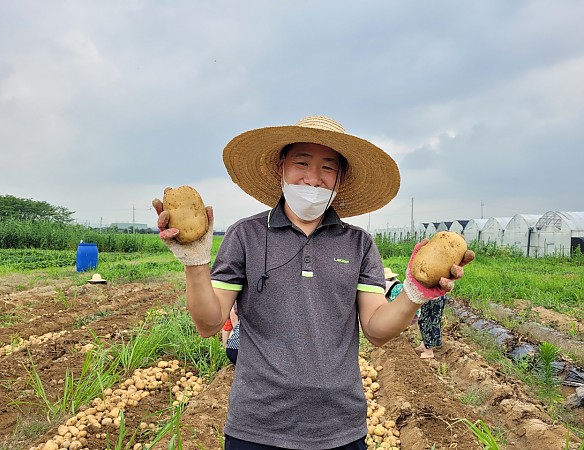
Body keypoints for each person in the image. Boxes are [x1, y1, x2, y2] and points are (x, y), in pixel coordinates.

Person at [153, 115, 474, 450]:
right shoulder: (245, 236)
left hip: (339, 427)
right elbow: (208, 323)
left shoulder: (359, 244)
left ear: (341, 177)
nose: (313, 178)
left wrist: (413, 293)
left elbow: (377, 330)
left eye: (328, 168)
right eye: (301, 163)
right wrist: (194, 261)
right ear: (281, 167)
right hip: (256, 427)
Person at [414, 293, 449, 359]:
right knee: (433, 319)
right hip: (436, 295)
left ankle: (428, 351)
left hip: (433, 296)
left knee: (427, 321)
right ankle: (425, 344)